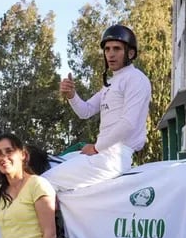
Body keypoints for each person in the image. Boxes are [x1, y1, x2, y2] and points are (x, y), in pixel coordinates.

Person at [43, 24, 152, 192]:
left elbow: (128, 123)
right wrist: (72, 95)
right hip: (103, 153)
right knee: (49, 165)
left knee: (43, 182)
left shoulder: (136, 79)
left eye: (116, 49)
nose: (111, 54)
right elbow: (85, 111)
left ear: (130, 53)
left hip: (115, 157)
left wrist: (96, 147)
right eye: (107, 49)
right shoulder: (112, 83)